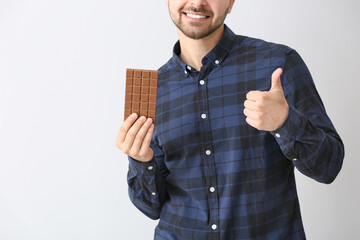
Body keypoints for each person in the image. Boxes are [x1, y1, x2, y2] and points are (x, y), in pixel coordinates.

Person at [115, 0, 344, 239]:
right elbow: (150, 207)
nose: (196, 2)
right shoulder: (154, 89)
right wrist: (142, 161)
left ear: (231, 3)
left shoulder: (277, 63)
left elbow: (329, 167)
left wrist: (285, 122)